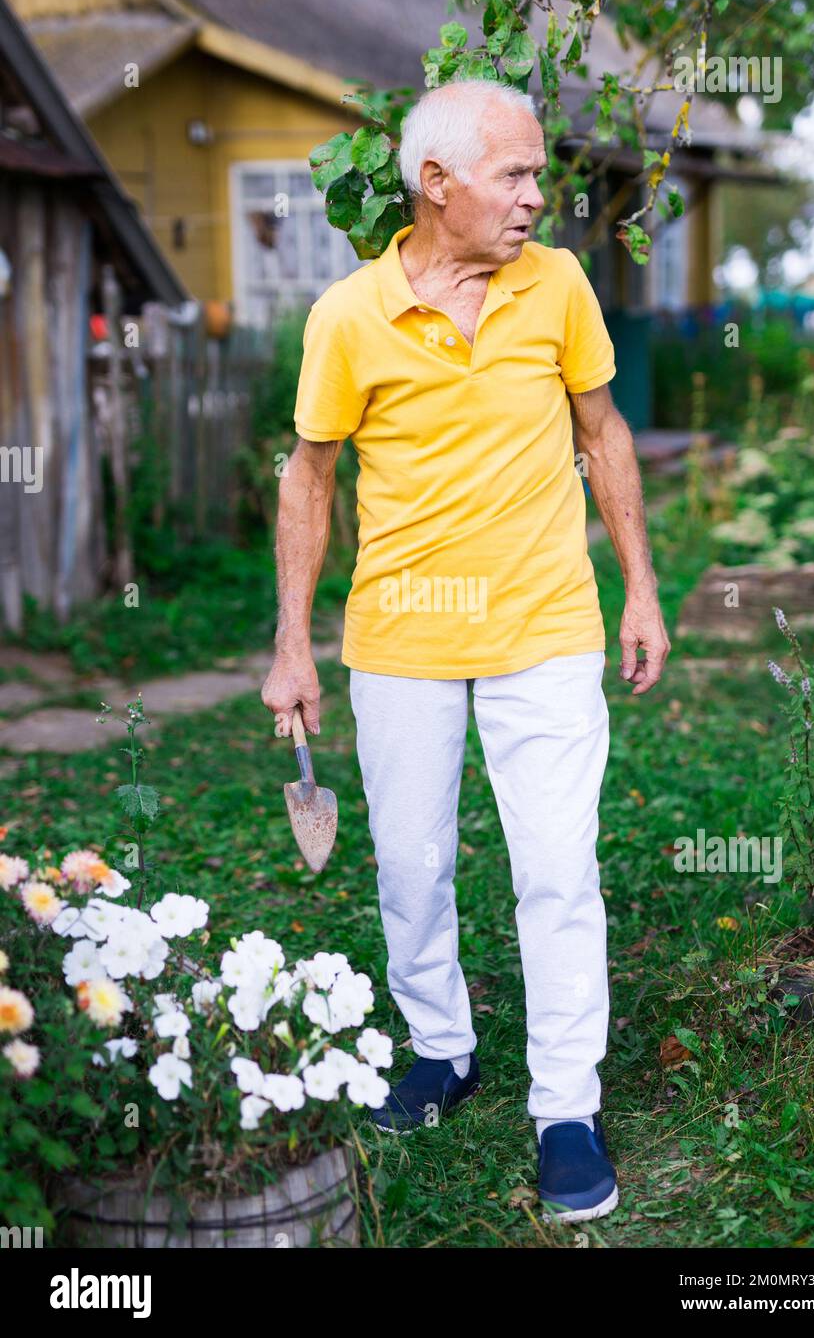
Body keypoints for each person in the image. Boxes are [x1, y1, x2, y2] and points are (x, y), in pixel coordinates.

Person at [262, 78, 670, 1224]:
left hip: (545, 626)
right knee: (411, 868)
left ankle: (564, 1107)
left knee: (554, 869)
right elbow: (308, 475)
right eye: (516, 174)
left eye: (539, 174)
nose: (538, 196)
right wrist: (293, 644)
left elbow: (601, 432)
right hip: (398, 639)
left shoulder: (559, 289)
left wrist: (638, 587)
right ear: (435, 185)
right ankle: (441, 1049)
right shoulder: (347, 315)